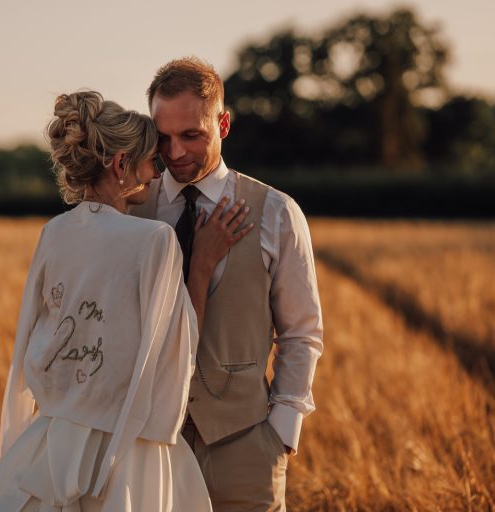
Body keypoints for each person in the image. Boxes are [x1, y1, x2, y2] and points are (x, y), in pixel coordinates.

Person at [0, 90, 253, 511]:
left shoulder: (53, 233)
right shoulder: (154, 239)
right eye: (151, 159)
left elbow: (31, 339)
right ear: (120, 164)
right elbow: (174, 352)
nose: (156, 172)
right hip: (126, 447)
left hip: (51, 441)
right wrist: (200, 265)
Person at [129, 57, 324, 511]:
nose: (174, 152)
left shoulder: (276, 212)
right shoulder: (132, 211)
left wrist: (281, 433)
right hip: (150, 445)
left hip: (246, 443)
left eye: (191, 135)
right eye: (162, 137)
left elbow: (301, 332)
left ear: (223, 124)